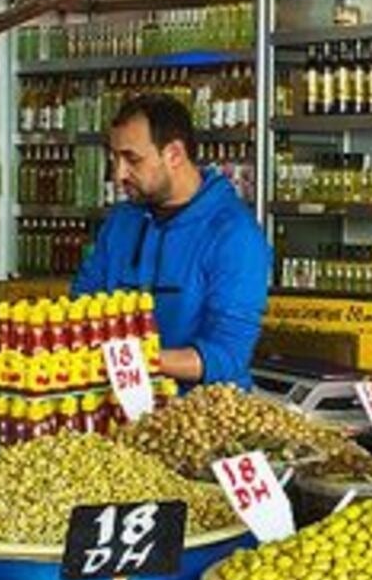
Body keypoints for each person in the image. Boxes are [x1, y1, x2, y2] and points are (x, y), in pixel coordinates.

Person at [73, 93, 270, 388]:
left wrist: (131, 360)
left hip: (201, 418)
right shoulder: (121, 222)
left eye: (132, 159)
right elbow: (82, 305)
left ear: (174, 154)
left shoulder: (234, 235)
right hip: (114, 409)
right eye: (114, 158)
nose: (118, 174)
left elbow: (227, 356)